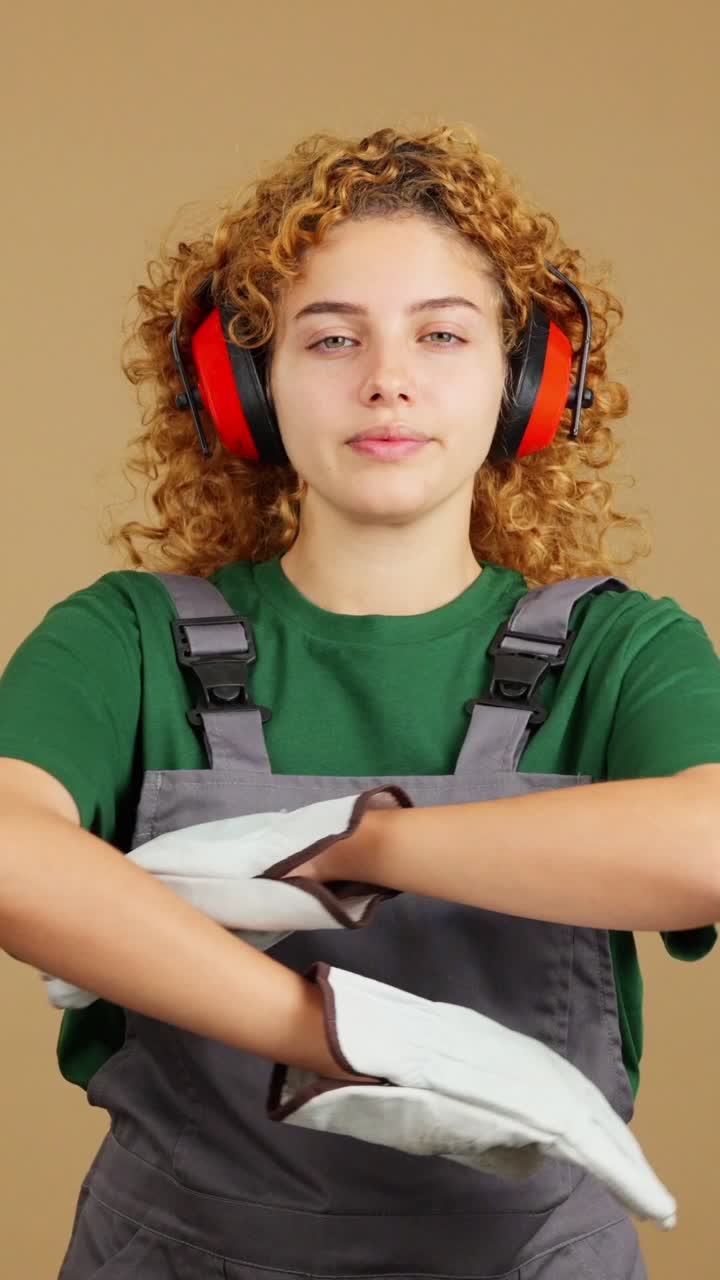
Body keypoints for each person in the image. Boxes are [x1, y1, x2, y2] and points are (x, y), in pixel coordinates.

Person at [1, 121, 719, 1278]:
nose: (388, 377)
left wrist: (359, 844)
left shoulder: (620, 649)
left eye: (443, 332)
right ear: (248, 387)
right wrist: (341, 1034)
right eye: (332, 337)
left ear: (524, 381)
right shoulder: (126, 638)